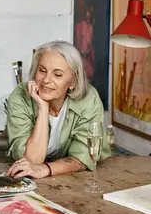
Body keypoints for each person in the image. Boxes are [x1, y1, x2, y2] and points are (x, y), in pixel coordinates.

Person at [6, 40, 110, 179]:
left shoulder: (89, 99)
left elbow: (84, 156)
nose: (46, 80)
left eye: (57, 75)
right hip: (16, 176)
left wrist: (46, 169)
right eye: (42, 71)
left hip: (64, 178)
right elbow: (31, 161)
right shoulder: (20, 96)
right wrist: (43, 107)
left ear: (73, 82)